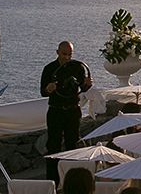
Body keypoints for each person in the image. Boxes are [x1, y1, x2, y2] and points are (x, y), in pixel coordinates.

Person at [41, 41, 93, 183]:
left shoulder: (77, 67)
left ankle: (72, 180)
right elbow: (42, 92)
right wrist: (48, 89)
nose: (67, 57)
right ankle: (52, 181)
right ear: (57, 52)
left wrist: (87, 85)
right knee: (53, 145)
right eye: (64, 54)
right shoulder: (49, 68)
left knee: (73, 144)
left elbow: (82, 87)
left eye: (70, 54)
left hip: (72, 111)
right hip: (56, 111)